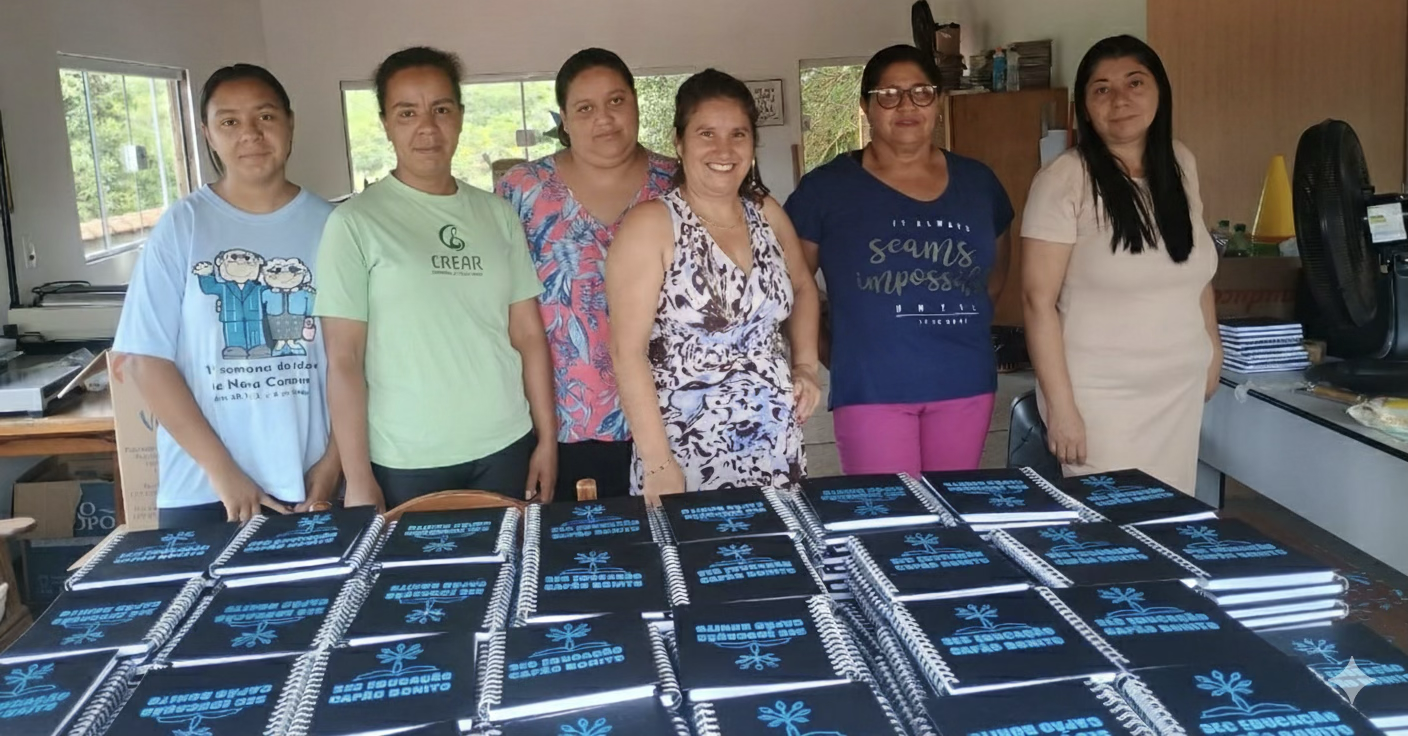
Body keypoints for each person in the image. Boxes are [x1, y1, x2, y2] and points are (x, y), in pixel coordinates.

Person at [315, 46, 557, 511]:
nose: (427, 127)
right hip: (406, 458)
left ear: (460, 116)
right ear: (386, 123)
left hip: (506, 444)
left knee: (511, 559)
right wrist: (358, 476)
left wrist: (546, 438)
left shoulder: (497, 215)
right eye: (407, 113)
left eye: (441, 109)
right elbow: (344, 359)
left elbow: (527, 335)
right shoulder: (354, 223)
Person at [113, 64, 340, 528]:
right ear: (208, 134)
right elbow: (145, 361)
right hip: (203, 489)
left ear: (290, 123)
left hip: (308, 484)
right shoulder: (183, 226)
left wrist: (333, 465)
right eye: (230, 122)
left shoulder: (333, 226)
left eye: (265, 116)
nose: (250, 134)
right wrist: (223, 472)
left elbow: (357, 360)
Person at [784, 44, 1013, 478]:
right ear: (866, 106)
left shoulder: (979, 183)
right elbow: (790, 287)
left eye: (921, 92)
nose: (907, 105)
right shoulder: (826, 190)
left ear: (938, 101)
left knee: (953, 507)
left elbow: (996, 272)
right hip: (872, 388)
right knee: (888, 512)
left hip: (964, 380)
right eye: (888, 95)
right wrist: (829, 354)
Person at [607, 69, 822, 501]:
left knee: (779, 543)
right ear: (679, 141)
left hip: (775, 440)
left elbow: (803, 287)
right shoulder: (652, 225)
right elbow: (626, 353)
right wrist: (659, 463)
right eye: (707, 133)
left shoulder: (766, 213)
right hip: (686, 447)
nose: (724, 150)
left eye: (738, 134)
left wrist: (805, 366)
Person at [1022, 35, 1221, 495]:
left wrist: (1212, 347)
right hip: (1101, 399)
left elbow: (1195, 270)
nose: (1120, 100)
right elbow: (1036, 302)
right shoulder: (1064, 179)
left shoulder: (1180, 163)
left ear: (1159, 91)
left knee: (1170, 519)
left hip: (1178, 388)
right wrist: (1062, 409)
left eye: (1135, 83)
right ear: (1085, 107)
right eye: (1102, 89)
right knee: (1112, 523)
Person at [496, 48, 677, 501]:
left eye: (616, 101)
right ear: (564, 119)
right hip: (561, 425)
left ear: (635, 102)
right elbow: (502, 308)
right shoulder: (521, 191)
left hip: (674, 418)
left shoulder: (678, 182)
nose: (604, 119)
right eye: (585, 108)